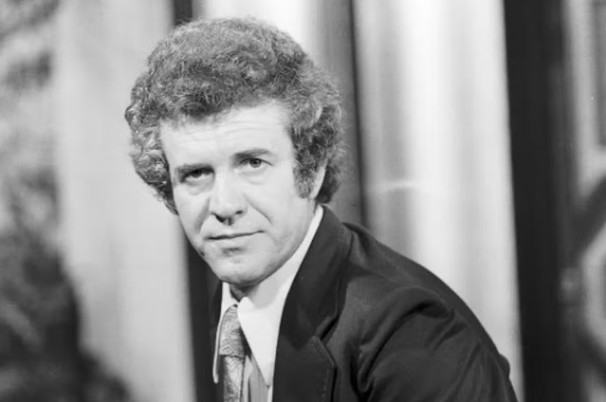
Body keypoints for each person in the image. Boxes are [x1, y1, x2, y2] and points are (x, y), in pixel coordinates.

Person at [125, 17, 518, 402]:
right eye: (196, 174)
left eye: (252, 163)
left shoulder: (412, 334)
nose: (224, 206)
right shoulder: (238, 296)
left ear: (311, 171)